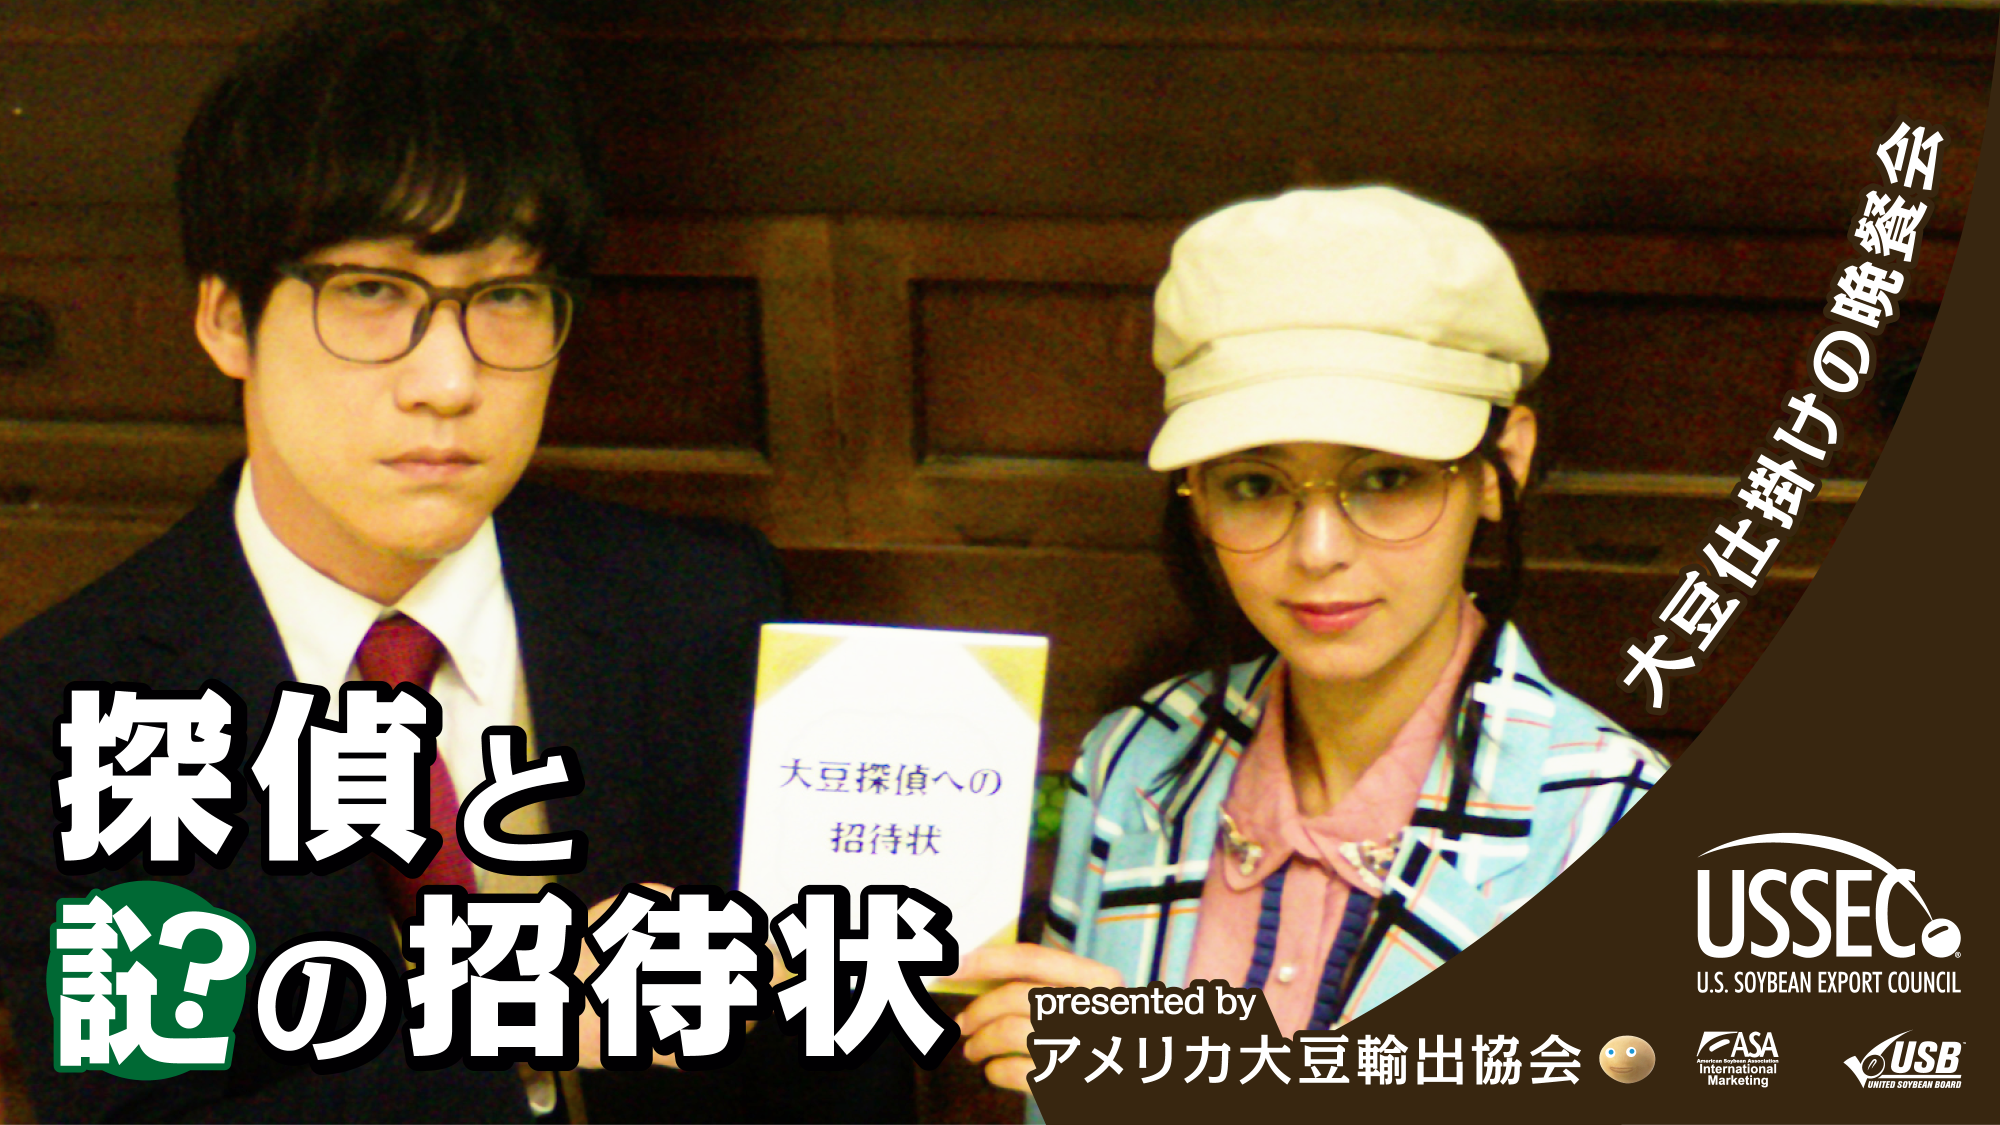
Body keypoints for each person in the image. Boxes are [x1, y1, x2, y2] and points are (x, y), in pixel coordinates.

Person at [0, 2, 907, 1120]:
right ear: (228, 319)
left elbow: (836, 1058)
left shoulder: (704, 608)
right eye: (372, 293)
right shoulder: (62, 707)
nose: (449, 381)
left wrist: (1067, 1034)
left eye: (508, 297)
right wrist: (514, 1015)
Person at [953, 186, 1671, 1093]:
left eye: (1387, 477)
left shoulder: (1614, 822)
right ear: (1196, 494)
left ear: (1503, 467)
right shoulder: (1133, 762)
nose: (1318, 551)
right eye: (1254, 485)